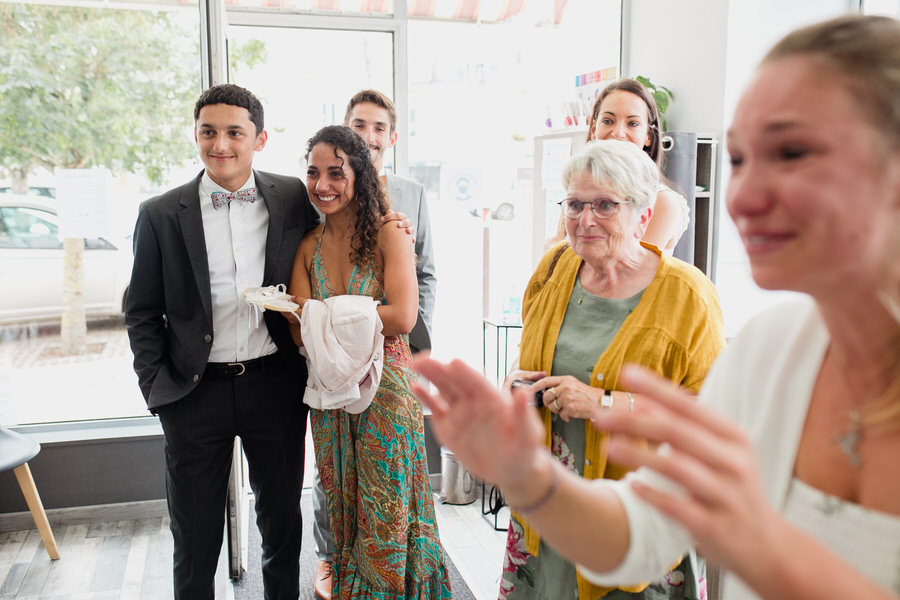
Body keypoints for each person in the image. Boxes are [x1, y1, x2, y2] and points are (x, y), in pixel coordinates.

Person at [412, 14, 900, 600]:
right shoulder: (776, 349)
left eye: (792, 152)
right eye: (740, 160)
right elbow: (644, 535)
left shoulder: (692, 299)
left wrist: (762, 554)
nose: (741, 196)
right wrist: (528, 476)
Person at [488, 138, 725, 599]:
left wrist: (605, 404)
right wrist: (513, 385)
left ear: (643, 215)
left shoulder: (689, 298)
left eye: (604, 204)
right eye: (575, 204)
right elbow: (526, 353)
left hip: (632, 523)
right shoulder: (555, 268)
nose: (585, 219)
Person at [125, 84, 320, 600]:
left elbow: (342, 234)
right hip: (193, 395)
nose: (221, 144)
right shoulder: (161, 214)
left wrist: (392, 224)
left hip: (274, 386)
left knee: (281, 523)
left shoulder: (292, 197)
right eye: (209, 131)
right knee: (194, 535)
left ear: (259, 139)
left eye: (235, 132)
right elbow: (141, 311)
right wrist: (158, 389)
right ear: (195, 135)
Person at [287, 125, 451, 599]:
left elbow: (402, 316)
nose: (323, 184)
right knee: (341, 507)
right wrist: (350, 317)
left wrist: (325, 313)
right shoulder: (306, 247)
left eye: (336, 173)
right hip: (330, 397)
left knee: (388, 511)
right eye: (314, 173)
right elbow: (296, 329)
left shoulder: (390, 233)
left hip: (387, 393)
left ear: (358, 174)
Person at [546, 79, 690, 254]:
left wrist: (554, 252)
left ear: (648, 136)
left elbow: (621, 272)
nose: (618, 133)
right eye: (608, 121)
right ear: (593, 130)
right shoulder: (580, 192)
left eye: (632, 124)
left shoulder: (661, 202)